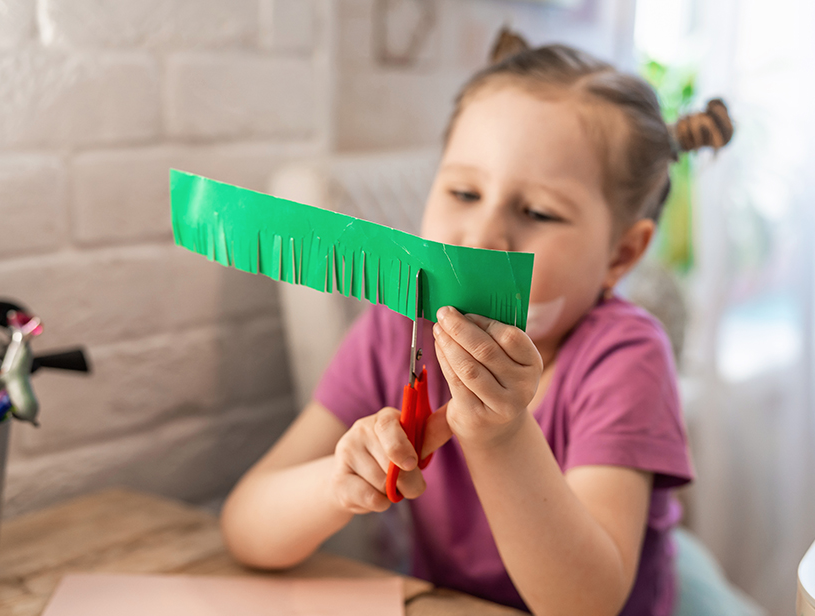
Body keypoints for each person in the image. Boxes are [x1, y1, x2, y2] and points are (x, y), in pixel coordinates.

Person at [221, 28, 733, 616]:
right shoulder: (395, 331)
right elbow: (246, 528)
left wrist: (502, 435)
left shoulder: (625, 356)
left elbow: (585, 605)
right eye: (464, 192)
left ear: (620, 256)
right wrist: (338, 483)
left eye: (538, 212)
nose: (482, 236)